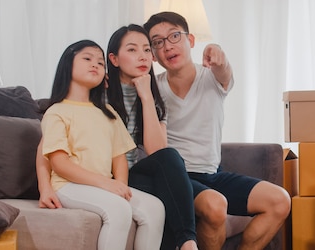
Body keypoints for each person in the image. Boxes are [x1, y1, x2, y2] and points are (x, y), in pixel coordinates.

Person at [37, 26, 199, 250]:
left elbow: (119, 156)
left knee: (155, 208)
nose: (95, 64)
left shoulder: (107, 111)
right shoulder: (57, 111)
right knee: (119, 209)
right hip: (69, 184)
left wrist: (120, 186)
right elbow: (56, 159)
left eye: (99, 62)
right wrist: (46, 188)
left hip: (106, 183)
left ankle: (187, 243)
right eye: (87, 59)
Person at [144, 12, 292, 250]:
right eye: (158, 42)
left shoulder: (212, 77)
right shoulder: (152, 88)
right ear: (152, 53)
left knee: (279, 201)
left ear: (190, 40)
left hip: (212, 174)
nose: (168, 46)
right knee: (215, 206)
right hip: (177, 179)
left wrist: (219, 55)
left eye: (174, 36)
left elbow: (224, 71)